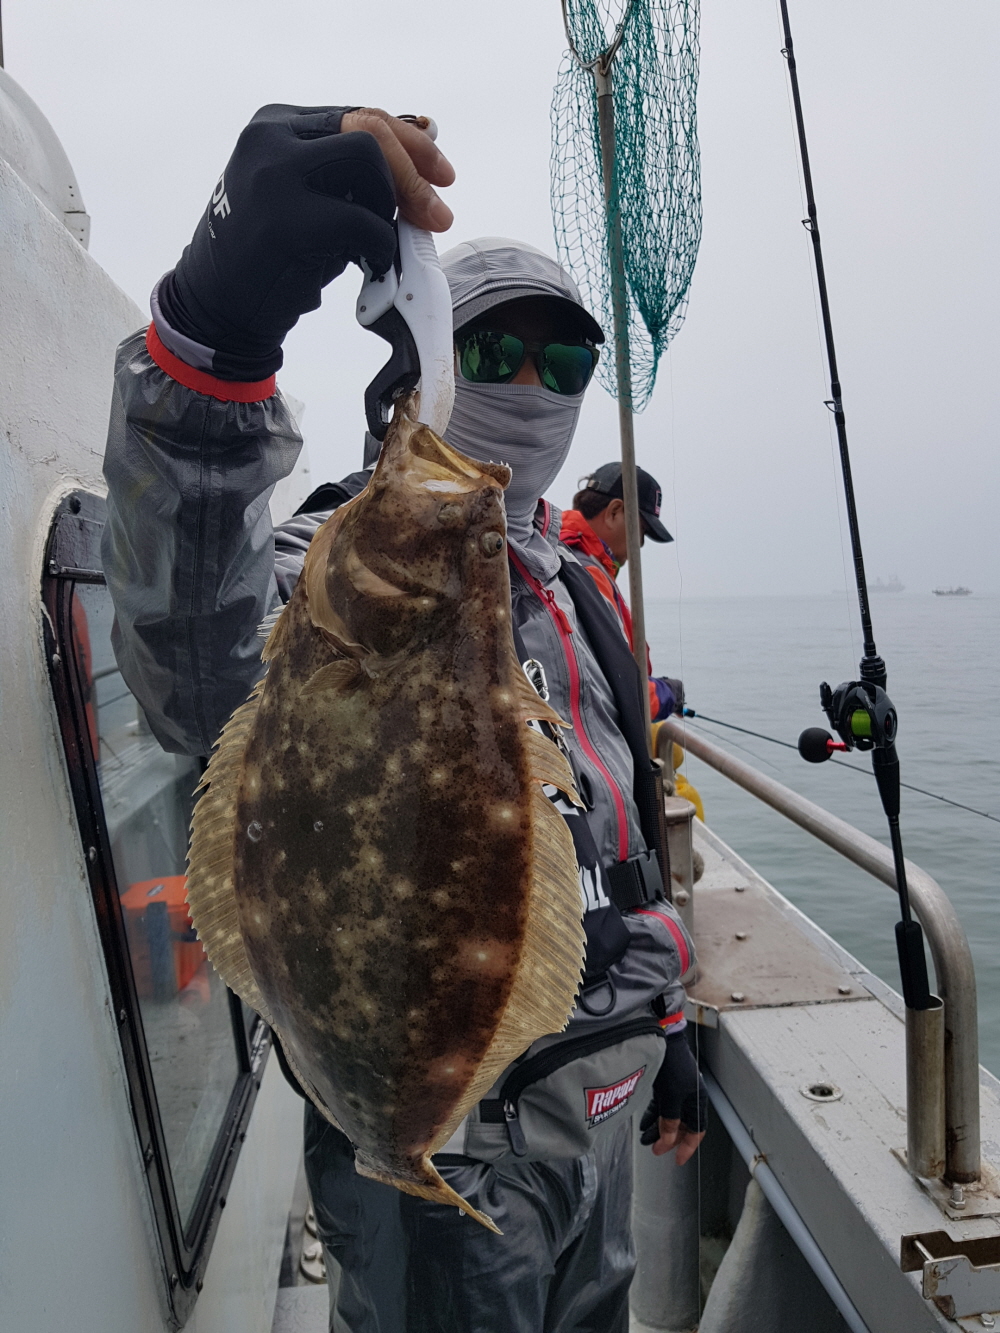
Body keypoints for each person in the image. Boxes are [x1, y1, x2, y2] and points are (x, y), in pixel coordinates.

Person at [101, 104, 705, 1333]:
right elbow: (195, 662)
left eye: (563, 364)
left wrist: (668, 1019)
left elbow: (622, 837)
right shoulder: (329, 562)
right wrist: (212, 347)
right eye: (494, 350)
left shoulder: (580, 586)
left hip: (596, 1109)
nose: (530, 384)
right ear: (427, 360)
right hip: (445, 1144)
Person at [561, 463, 684, 723]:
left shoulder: (559, 554)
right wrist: (666, 694)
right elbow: (619, 691)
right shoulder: (587, 576)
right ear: (614, 512)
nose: (640, 543)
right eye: (642, 530)